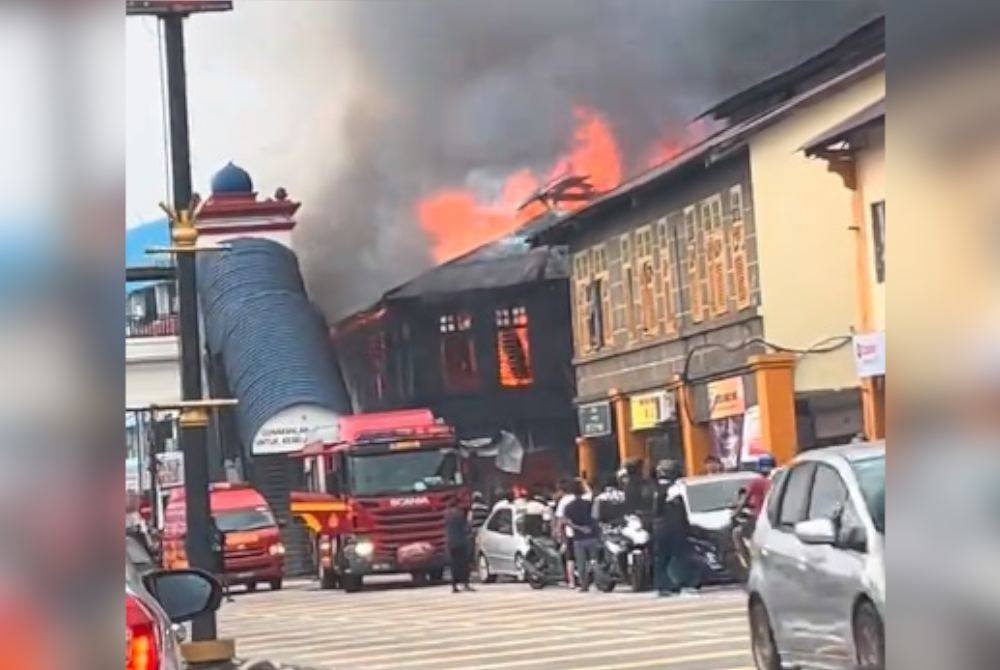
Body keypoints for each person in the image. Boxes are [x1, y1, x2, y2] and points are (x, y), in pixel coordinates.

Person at [651, 459, 693, 597]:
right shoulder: (672, 490)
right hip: (672, 528)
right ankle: (678, 585)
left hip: (661, 528)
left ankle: (665, 586)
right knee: (677, 557)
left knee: (664, 558)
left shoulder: (656, 488)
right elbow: (679, 511)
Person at [562, 479, 600, 591]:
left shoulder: (568, 506)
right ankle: (599, 582)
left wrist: (579, 528)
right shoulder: (589, 504)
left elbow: (566, 521)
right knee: (595, 560)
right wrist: (592, 529)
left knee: (581, 563)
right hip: (592, 536)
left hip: (578, 538)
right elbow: (595, 518)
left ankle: (584, 586)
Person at [445, 500, 474, 593]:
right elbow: (466, 528)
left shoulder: (447, 515)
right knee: (464, 564)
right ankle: (465, 584)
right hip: (461, 542)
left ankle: (454, 586)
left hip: (451, 543)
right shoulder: (460, 514)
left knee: (454, 565)